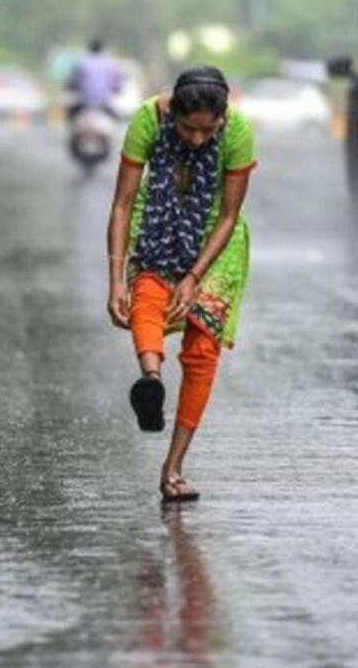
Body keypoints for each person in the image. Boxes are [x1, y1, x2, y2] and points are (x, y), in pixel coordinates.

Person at [105, 65, 256, 502]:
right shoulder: (147, 121)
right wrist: (116, 279)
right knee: (146, 296)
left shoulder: (240, 132)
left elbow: (228, 215)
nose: (196, 140)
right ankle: (150, 381)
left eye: (208, 131)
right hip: (156, 221)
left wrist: (193, 277)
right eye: (188, 129)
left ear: (223, 118)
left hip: (216, 240)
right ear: (173, 112)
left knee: (203, 347)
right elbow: (122, 204)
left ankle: (173, 468)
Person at [66, 37, 124, 120]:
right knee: (118, 119)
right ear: (101, 49)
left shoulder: (82, 61)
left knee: (70, 117)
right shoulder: (109, 62)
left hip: (85, 102)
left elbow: (74, 80)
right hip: (104, 103)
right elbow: (117, 83)